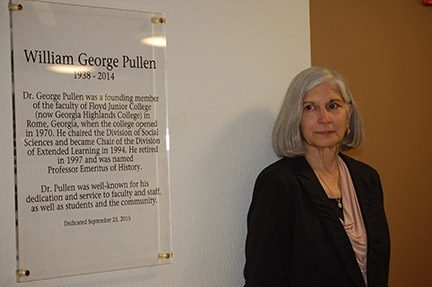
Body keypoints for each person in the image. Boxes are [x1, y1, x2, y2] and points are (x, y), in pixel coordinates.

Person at [243, 66, 390, 287]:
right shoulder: (279, 184)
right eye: (310, 107)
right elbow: (263, 278)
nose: (325, 118)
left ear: (348, 114)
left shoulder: (367, 178)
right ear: (296, 117)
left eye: (333, 106)